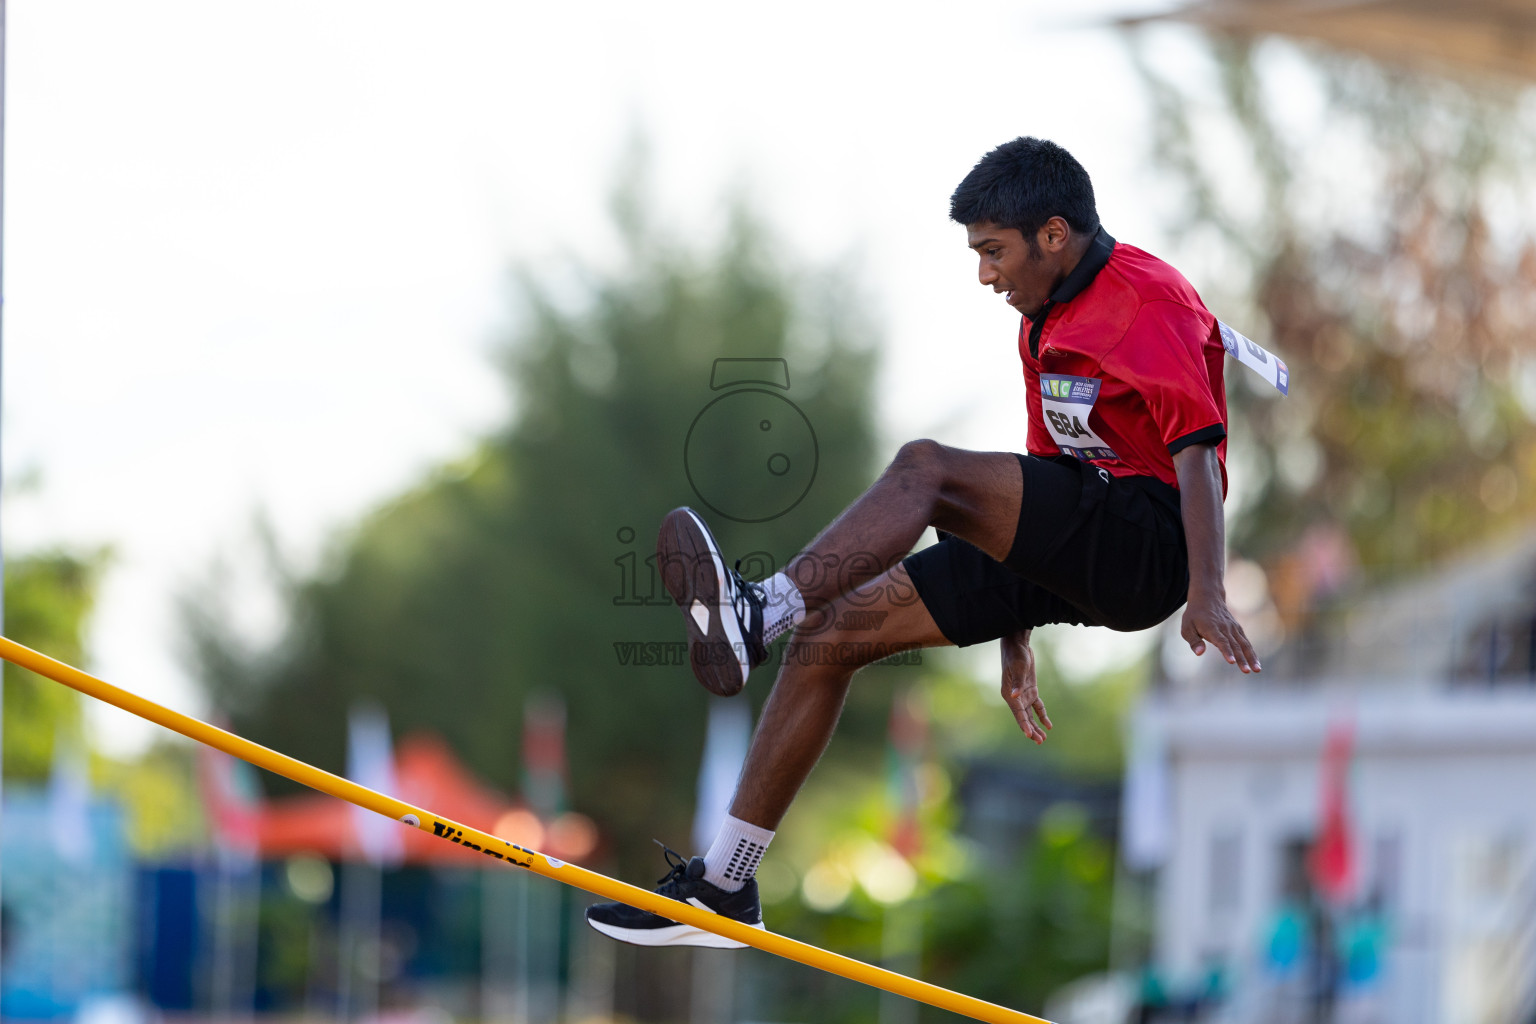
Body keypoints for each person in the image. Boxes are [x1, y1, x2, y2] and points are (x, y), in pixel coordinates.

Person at [585, 136, 1261, 947]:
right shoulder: (1040, 324)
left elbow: (1198, 455)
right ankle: (726, 885)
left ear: (1054, 233)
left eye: (993, 252)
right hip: (1085, 537)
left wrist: (1209, 589)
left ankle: (756, 612)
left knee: (927, 471)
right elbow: (1039, 481)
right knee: (832, 635)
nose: (985, 275)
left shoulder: (1149, 301)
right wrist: (1017, 631)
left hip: (1153, 540)